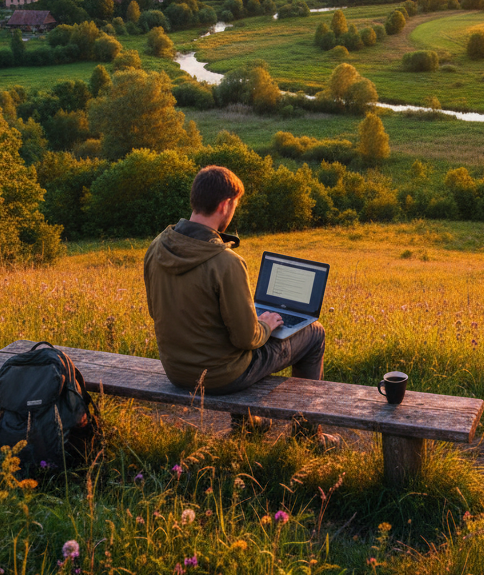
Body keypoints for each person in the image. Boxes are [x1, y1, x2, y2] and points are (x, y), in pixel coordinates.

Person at [144, 164, 338, 446]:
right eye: (234, 206)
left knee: (224, 337)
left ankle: (249, 424)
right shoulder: (226, 262)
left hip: (176, 370)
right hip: (222, 378)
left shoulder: (157, 247)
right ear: (224, 205)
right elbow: (246, 338)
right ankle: (306, 437)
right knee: (314, 333)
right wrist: (266, 325)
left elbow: (156, 312)